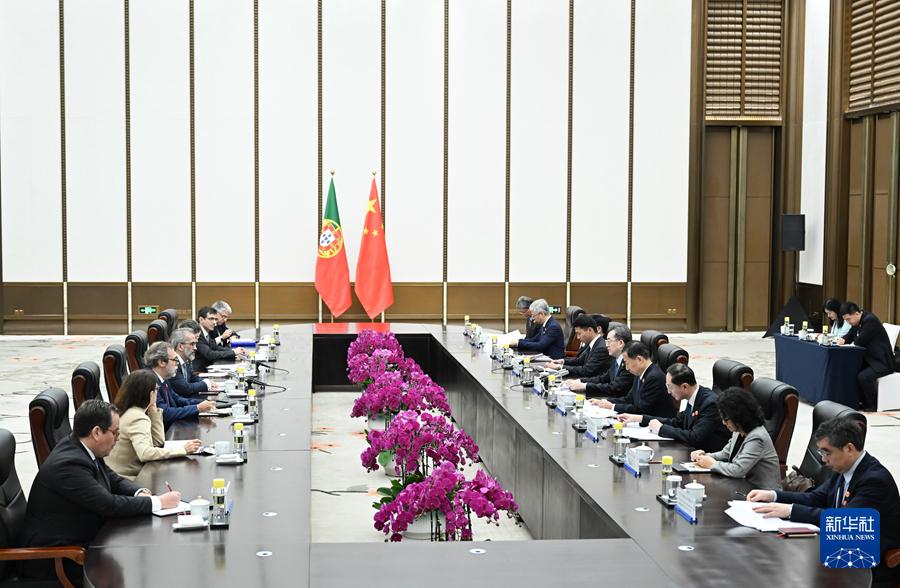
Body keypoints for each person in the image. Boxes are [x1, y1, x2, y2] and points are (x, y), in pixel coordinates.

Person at [21, 399, 181, 582]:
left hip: (85, 539)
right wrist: (159, 502)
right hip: (58, 560)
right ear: (96, 432)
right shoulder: (68, 465)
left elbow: (113, 479)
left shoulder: (82, 446)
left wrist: (140, 493)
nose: (119, 438)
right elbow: (108, 505)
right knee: (142, 570)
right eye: (115, 432)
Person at [749, 416, 900, 585]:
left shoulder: (874, 480)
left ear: (849, 448)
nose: (823, 459)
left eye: (827, 452)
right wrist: (773, 496)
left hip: (869, 562)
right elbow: (816, 498)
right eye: (822, 453)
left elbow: (844, 521)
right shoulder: (844, 468)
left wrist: (790, 511)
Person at [106, 370, 202, 479]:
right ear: (151, 393)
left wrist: (153, 411)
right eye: (157, 389)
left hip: (120, 475)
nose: (157, 392)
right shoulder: (137, 417)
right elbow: (145, 453)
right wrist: (183, 450)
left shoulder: (128, 411)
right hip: (127, 478)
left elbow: (158, 443)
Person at [617, 363, 731, 452]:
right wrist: (639, 418)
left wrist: (661, 429)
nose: (668, 391)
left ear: (684, 387)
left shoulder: (710, 403)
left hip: (708, 456)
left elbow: (695, 437)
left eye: (670, 387)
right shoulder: (694, 397)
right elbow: (676, 422)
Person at [690, 387, 781, 489]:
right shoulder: (739, 430)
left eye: (726, 419)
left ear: (739, 416)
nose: (723, 423)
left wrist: (712, 464)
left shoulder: (757, 438)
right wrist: (704, 456)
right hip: (743, 486)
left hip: (762, 492)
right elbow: (725, 453)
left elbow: (737, 470)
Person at [587, 341, 675, 417]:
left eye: (627, 363)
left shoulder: (654, 378)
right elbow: (628, 399)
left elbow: (642, 410)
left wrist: (612, 407)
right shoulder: (640, 373)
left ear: (639, 360)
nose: (626, 368)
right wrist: (604, 402)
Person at [836, 302, 895, 411]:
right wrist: (843, 339)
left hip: (882, 362)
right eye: (846, 320)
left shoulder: (870, 321)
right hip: (870, 359)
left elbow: (860, 342)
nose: (848, 322)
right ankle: (858, 401)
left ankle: (872, 405)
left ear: (856, 313)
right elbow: (850, 334)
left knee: (863, 377)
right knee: (851, 371)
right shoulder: (857, 321)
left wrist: (849, 341)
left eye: (848, 319)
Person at [146, 341, 216, 429]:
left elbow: (177, 399)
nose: (177, 363)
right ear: (161, 362)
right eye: (174, 360)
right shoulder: (150, 382)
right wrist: (197, 408)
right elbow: (165, 413)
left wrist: (203, 403)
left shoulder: (163, 378)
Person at [568, 325, 635, 398]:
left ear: (620, 343)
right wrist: (580, 381)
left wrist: (585, 386)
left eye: (609, 341)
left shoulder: (629, 364)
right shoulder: (615, 359)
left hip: (618, 400)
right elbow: (602, 378)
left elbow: (614, 388)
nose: (606, 345)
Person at [545, 314, 611, 378]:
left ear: (590, 330)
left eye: (579, 334)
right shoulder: (592, 343)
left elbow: (586, 371)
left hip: (590, 381)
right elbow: (579, 361)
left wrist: (559, 367)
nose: (578, 337)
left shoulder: (601, 348)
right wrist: (562, 361)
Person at [169, 327, 219, 397]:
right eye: (192, 344)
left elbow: (193, 378)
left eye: (195, 344)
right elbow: (185, 388)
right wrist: (206, 384)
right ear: (180, 346)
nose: (195, 348)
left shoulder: (186, 360)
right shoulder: (172, 363)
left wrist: (208, 381)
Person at [194, 305, 245, 373]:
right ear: (201, 319)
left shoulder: (206, 332)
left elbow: (216, 347)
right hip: (198, 371)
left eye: (215, 319)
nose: (214, 322)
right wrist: (233, 352)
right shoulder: (197, 334)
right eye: (211, 319)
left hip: (206, 368)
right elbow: (209, 354)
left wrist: (235, 351)